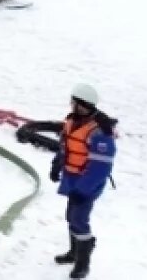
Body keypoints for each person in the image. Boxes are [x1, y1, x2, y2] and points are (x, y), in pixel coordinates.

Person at [48, 83, 118, 278]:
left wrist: (83, 189)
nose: (71, 105)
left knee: (79, 219)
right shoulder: (72, 122)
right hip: (72, 178)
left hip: (87, 183)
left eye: (74, 103)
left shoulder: (99, 132)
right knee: (71, 216)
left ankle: (83, 263)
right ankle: (74, 252)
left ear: (82, 104)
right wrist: (56, 165)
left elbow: (100, 168)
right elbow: (65, 147)